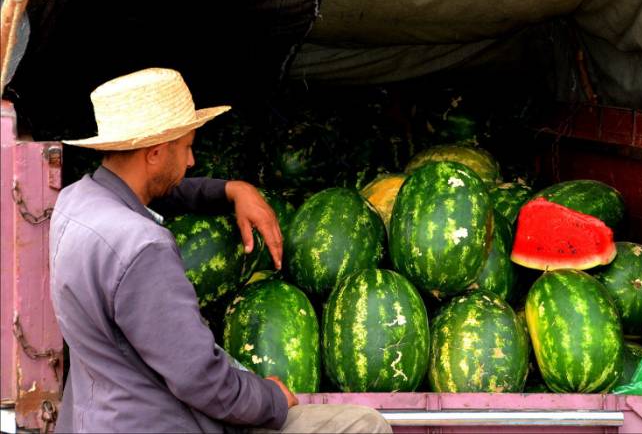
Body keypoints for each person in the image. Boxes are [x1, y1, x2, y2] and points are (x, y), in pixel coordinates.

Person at [50, 67, 393, 433]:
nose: (191, 160)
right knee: (363, 424)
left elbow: (158, 191)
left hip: (100, 417)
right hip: (164, 423)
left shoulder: (75, 203)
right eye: (186, 147)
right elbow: (202, 380)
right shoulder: (143, 249)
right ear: (154, 153)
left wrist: (229, 190)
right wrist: (271, 398)